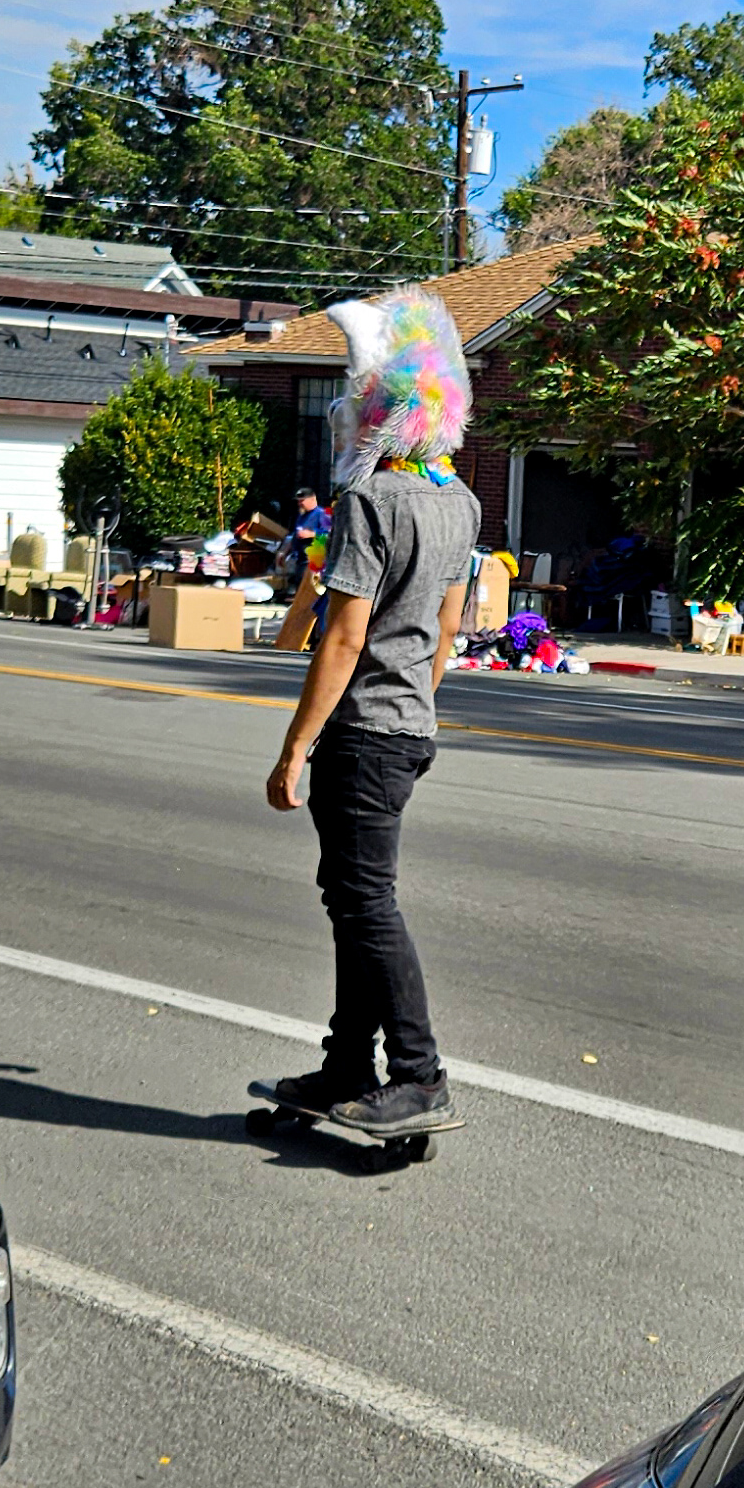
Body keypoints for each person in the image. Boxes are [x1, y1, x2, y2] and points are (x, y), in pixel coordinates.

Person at [263, 286, 480, 1138]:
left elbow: (343, 636)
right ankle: (347, 1064)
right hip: (411, 728)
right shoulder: (460, 502)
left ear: (375, 415)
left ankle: (419, 1076)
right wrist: (416, 703)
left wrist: (295, 747)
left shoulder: (370, 502)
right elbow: (448, 629)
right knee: (353, 899)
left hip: (363, 734)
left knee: (364, 902)